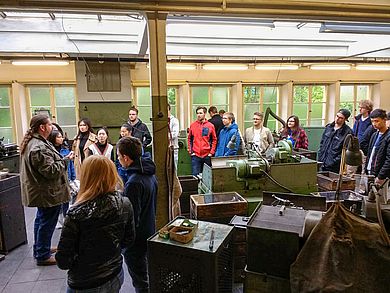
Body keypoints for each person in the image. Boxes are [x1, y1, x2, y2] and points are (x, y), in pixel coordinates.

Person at [56, 155, 135, 293]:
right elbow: (128, 240)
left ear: (86, 177)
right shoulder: (125, 204)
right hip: (114, 274)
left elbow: (63, 261)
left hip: (84, 282)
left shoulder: (75, 213)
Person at [20, 114, 70, 266]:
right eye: (50, 125)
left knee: (41, 220)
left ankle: (41, 248)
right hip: (47, 193)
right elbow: (51, 171)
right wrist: (65, 160)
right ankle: (43, 255)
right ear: (42, 127)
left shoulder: (37, 142)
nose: (52, 128)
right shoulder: (38, 147)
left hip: (43, 192)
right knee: (47, 222)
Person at [116, 137, 158, 293]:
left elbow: (132, 217)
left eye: (119, 157)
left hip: (136, 240)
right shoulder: (149, 173)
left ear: (126, 158)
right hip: (149, 230)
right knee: (145, 272)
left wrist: (126, 243)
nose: (119, 160)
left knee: (140, 280)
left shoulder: (134, 182)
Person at [48, 129, 76, 226]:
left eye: (61, 136)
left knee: (66, 200)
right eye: (59, 137)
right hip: (57, 179)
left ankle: (65, 218)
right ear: (53, 138)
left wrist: (73, 176)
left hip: (66, 177)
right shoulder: (50, 151)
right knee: (58, 201)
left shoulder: (65, 149)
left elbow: (70, 164)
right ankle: (58, 219)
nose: (62, 138)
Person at [318, 109, 353, 173]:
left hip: (334, 165)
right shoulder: (329, 127)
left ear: (345, 119)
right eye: (337, 116)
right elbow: (322, 143)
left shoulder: (347, 132)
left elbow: (346, 151)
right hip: (322, 161)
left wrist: (334, 161)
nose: (337, 119)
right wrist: (320, 154)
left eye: (341, 118)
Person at [188, 106, 217, 176]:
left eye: (200, 113)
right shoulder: (193, 125)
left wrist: (211, 152)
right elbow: (189, 139)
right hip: (196, 155)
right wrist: (191, 151)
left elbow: (214, 139)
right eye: (197, 113)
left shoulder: (210, 126)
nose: (198, 115)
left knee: (207, 177)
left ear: (205, 114)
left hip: (207, 155)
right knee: (195, 177)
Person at [365, 109, 390, 190]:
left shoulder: (388, 136)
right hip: (370, 172)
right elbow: (370, 154)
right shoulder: (374, 135)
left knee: (379, 200)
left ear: (384, 120)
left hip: (382, 176)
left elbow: (388, 160)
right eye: (372, 121)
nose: (374, 124)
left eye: (377, 121)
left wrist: (380, 176)